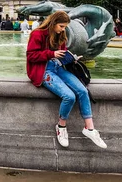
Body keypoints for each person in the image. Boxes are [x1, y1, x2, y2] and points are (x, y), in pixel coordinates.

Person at [26, 11, 107, 149]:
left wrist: (72, 59)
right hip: (44, 70)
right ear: (53, 23)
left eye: (64, 27)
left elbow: (62, 54)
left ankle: (90, 129)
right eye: (61, 26)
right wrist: (51, 54)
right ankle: (61, 127)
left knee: (82, 90)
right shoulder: (37, 34)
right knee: (69, 96)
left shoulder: (61, 35)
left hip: (58, 67)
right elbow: (31, 56)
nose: (63, 30)